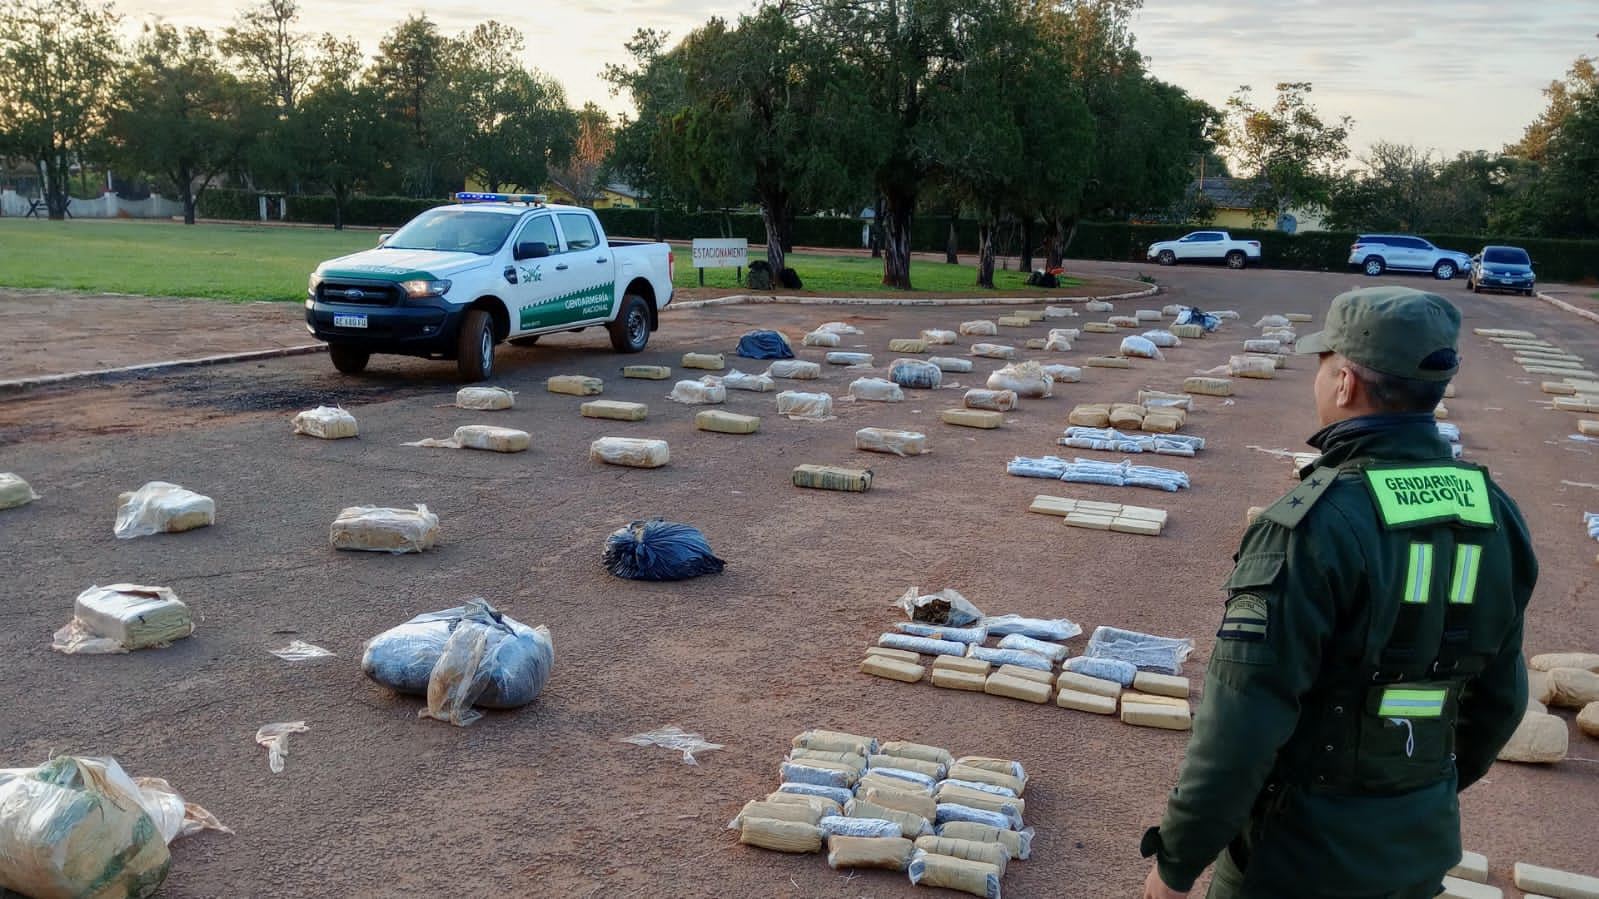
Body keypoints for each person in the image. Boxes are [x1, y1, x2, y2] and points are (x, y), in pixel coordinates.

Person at [1140, 285, 1539, 899]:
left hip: (1294, 859)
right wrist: (1413, 794)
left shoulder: (1312, 526)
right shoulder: (1495, 513)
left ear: (1346, 382)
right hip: (1414, 849)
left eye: (1323, 364)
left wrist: (1176, 862)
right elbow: (1500, 702)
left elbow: (1242, 724)